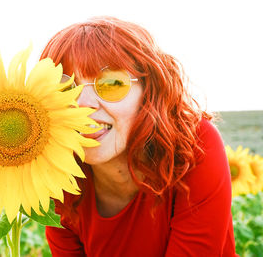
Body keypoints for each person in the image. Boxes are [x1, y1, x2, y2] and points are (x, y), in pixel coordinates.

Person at [39, 16, 238, 256]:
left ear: (149, 92)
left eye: (111, 83)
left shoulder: (194, 146)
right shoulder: (57, 182)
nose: (82, 104)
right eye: (64, 90)